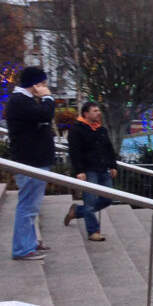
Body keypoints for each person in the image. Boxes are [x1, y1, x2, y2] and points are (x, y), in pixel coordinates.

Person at [5, 66, 55, 260]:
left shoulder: (23, 101)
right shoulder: (20, 101)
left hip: (34, 160)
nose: (45, 87)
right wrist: (48, 98)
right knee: (27, 206)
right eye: (43, 83)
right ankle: (22, 248)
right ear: (36, 84)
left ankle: (30, 243)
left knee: (32, 207)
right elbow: (45, 114)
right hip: (31, 161)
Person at [63, 101, 118, 243]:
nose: (98, 113)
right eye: (95, 111)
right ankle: (93, 231)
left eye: (98, 110)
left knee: (108, 198)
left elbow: (109, 149)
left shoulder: (101, 130)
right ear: (86, 113)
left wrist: (113, 166)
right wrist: (79, 171)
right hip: (88, 170)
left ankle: (76, 211)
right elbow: (74, 152)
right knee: (91, 201)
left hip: (103, 169)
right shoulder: (77, 130)